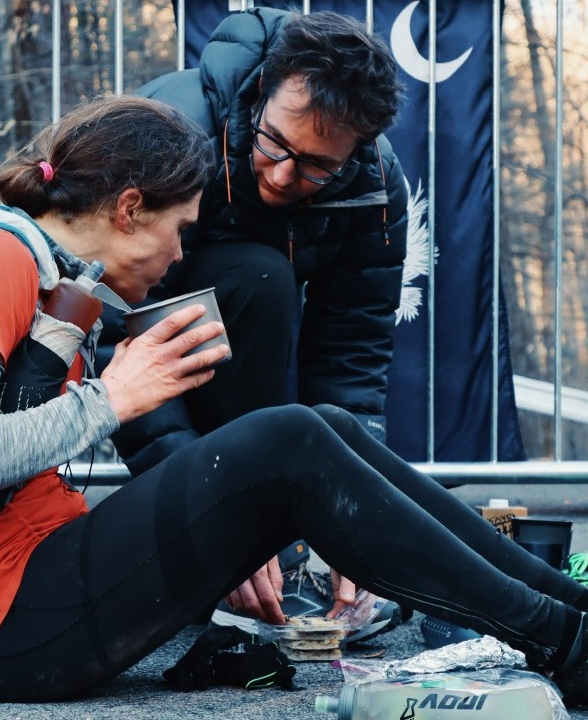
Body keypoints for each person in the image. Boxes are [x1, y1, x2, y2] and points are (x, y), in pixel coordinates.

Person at [0, 94, 588, 710]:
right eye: (175, 230)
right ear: (129, 208)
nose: (177, 256)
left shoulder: (39, 266)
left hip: (31, 589)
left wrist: (205, 520)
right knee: (285, 438)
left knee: (316, 427)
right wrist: (115, 398)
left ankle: (582, 620)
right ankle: (575, 648)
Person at [112, 7, 411, 635]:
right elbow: (125, 331)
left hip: (238, 322)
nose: (281, 175)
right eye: (276, 144)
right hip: (110, 331)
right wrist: (207, 515)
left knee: (263, 286)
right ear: (262, 93)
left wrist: (351, 513)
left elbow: (349, 363)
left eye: (314, 167)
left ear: (358, 149)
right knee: (259, 278)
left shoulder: (376, 188)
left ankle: (279, 538)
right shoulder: (172, 133)